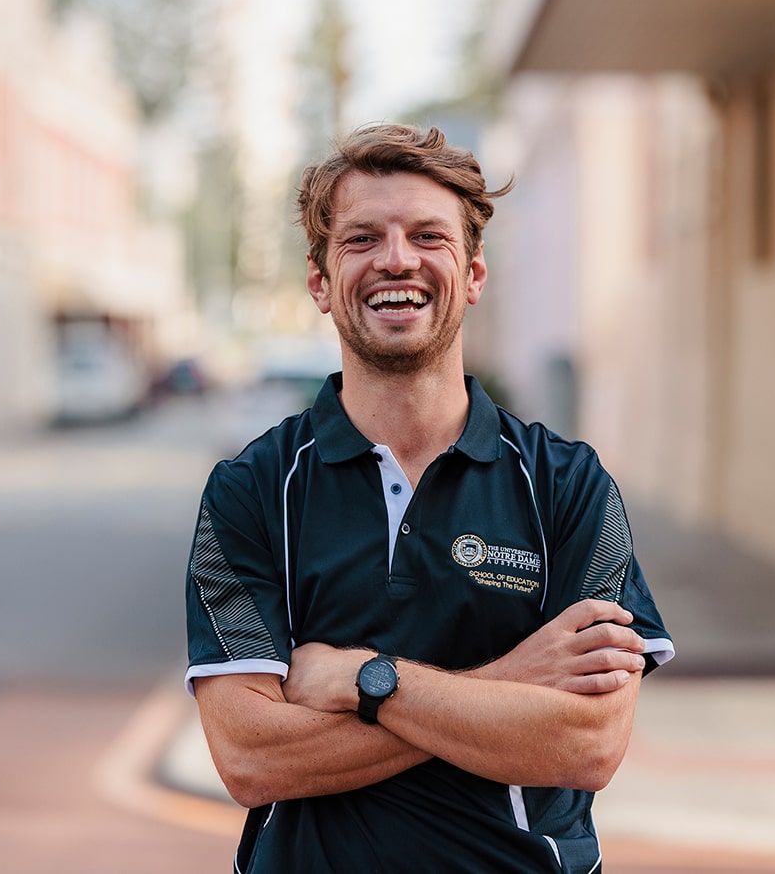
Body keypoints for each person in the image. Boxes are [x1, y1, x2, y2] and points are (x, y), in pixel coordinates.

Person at [185, 124, 674, 873]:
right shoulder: (251, 491)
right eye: (360, 239)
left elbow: (586, 743)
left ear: (473, 274)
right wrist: (510, 680)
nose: (396, 258)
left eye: (427, 235)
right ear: (319, 283)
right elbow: (252, 759)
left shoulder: (567, 486)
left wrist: (361, 680)